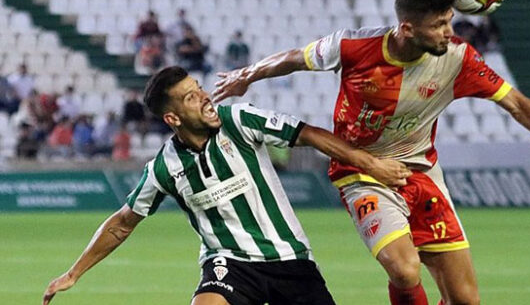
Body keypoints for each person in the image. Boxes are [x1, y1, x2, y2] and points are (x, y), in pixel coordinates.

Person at [213, 0, 530, 305]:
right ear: (407, 28)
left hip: (422, 172)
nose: (449, 32)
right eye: (439, 25)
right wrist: (247, 74)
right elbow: (296, 58)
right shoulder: (354, 46)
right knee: (403, 268)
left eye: (450, 21)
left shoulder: (459, 58)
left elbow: (516, 104)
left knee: (466, 299)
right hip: (361, 172)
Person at [43, 66, 411, 305]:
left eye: (199, 88)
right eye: (191, 97)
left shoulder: (239, 119)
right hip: (230, 265)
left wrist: (371, 164)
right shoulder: (164, 168)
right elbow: (123, 223)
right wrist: (73, 273)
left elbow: (308, 134)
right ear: (172, 118)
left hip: (291, 261)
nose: (204, 96)